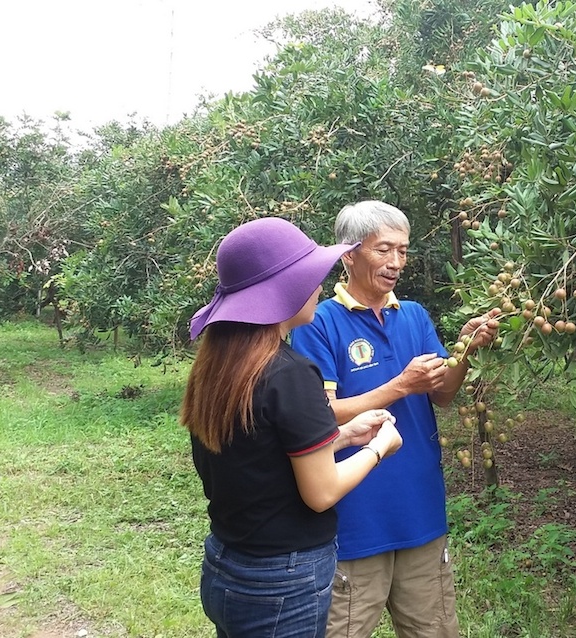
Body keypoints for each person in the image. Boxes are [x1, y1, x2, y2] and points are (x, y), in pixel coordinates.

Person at [181, 216, 403, 638]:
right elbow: (320, 493)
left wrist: (345, 434)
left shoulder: (220, 367)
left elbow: (260, 455)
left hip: (228, 563)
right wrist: (378, 448)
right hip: (283, 579)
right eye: (311, 276)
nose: (319, 285)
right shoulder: (290, 373)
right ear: (283, 289)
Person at [290, 200, 500, 638]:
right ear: (349, 254)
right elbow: (320, 415)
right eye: (384, 249)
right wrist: (400, 385)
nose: (396, 262)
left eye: (403, 251)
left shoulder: (415, 316)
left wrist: (465, 350)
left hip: (420, 513)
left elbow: (442, 394)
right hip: (355, 520)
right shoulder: (319, 323)